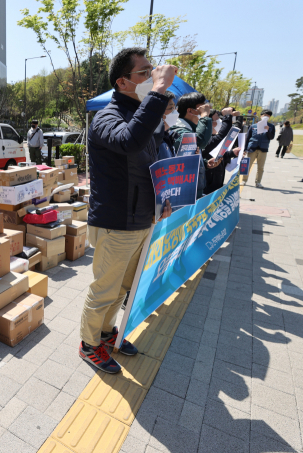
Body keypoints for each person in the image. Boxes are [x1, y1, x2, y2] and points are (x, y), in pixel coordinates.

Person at [79, 47, 175, 374]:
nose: (151, 77)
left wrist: (159, 202)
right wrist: (159, 91)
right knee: (104, 289)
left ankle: (106, 334)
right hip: (116, 222)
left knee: (122, 288)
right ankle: (89, 344)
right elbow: (129, 142)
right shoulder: (106, 117)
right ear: (122, 82)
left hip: (140, 219)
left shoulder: (140, 120)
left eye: (153, 72)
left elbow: (148, 168)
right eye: (144, 73)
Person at [169, 92, 220, 198]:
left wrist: (205, 164)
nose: (206, 111)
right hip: (183, 194)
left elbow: (190, 158)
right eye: (201, 108)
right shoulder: (179, 131)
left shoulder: (191, 128)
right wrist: (205, 116)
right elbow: (200, 142)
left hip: (194, 189)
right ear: (190, 110)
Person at [202, 107, 242, 195]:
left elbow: (218, 154)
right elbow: (221, 137)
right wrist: (227, 117)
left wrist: (232, 153)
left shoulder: (212, 138)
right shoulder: (204, 140)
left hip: (217, 181)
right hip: (207, 187)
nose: (220, 122)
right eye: (217, 119)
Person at [242, 110, 275, 187]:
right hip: (252, 148)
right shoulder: (253, 126)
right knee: (248, 166)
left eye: (268, 115)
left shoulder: (271, 126)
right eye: (264, 115)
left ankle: (258, 182)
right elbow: (248, 138)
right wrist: (245, 149)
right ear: (261, 116)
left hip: (263, 149)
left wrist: (267, 130)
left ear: (270, 117)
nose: (266, 116)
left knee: (260, 167)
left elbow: (271, 137)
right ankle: (244, 180)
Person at [154, 91, 178, 160]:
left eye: (174, 107)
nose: (175, 111)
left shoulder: (170, 135)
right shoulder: (153, 139)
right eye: (171, 108)